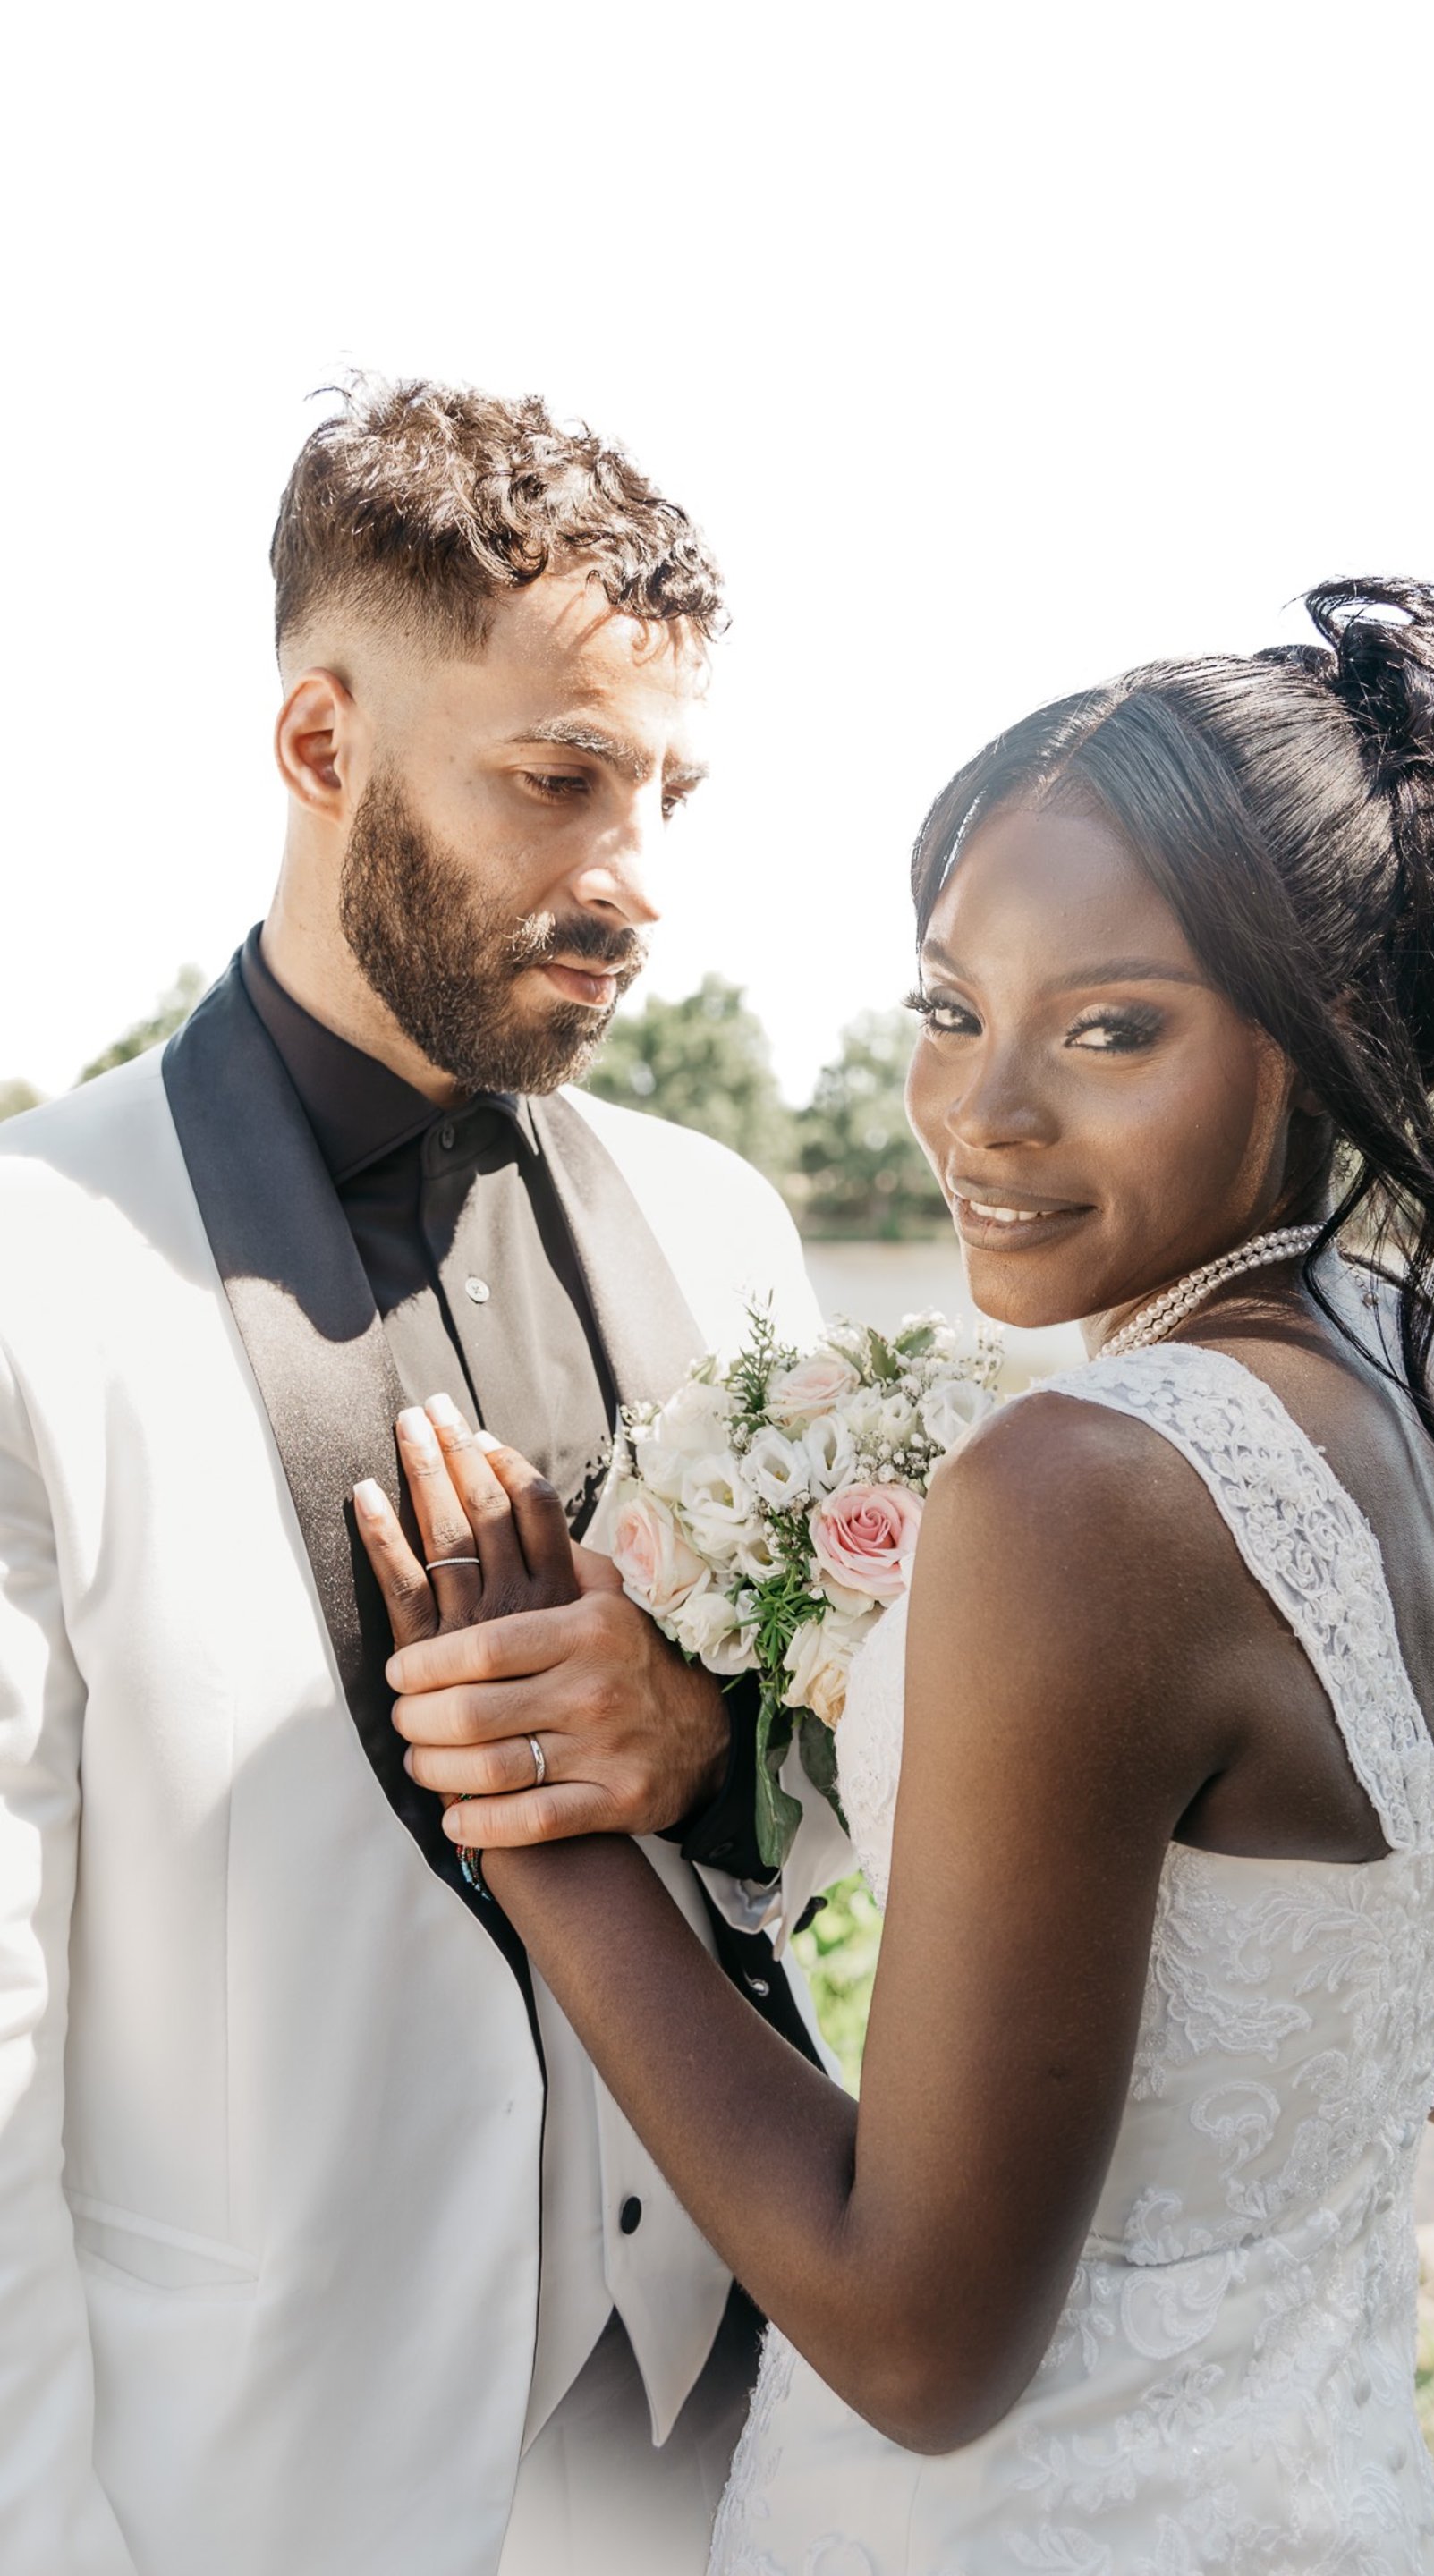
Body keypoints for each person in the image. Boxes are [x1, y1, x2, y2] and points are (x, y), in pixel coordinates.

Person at [366, 579, 1434, 2572]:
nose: (982, 1109)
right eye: (950, 1009)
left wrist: (548, 1844)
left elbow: (923, 2349)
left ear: (1329, 1037)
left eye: (1113, 1027)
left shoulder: (1078, 1491)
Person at [0, 378, 839, 2576]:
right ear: (320, 748)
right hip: (261, 2493)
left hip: (739, 2458)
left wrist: (710, 1745)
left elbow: (871, 1783)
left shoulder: (732, 1227)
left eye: (665, 790)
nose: (633, 876)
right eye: (560, 779)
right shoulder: (22, 1277)